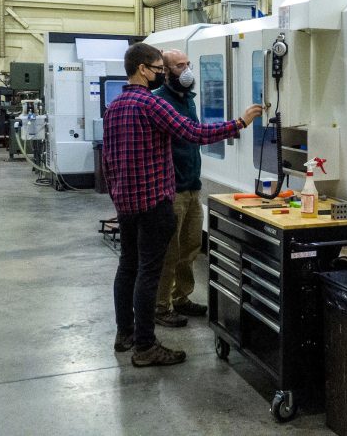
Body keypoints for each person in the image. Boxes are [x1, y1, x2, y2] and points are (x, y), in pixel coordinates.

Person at [103, 42, 262, 367]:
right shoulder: (151, 104)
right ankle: (145, 347)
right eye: (159, 69)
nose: (162, 74)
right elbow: (194, 133)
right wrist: (241, 123)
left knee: (128, 267)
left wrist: (118, 195)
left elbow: (108, 160)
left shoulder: (115, 106)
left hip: (127, 205)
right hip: (154, 204)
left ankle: (126, 334)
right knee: (149, 273)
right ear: (143, 70)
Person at [151, 49, 208, 328]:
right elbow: (193, 134)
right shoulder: (159, 102)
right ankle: (161, 306)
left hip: (192, 187)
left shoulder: (189, 100)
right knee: (169, 252)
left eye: (188, 64)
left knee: (190, 247)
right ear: (165, 71)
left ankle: (181, 296)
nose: (186, 70)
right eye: (178, 66)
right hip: (172, 189)